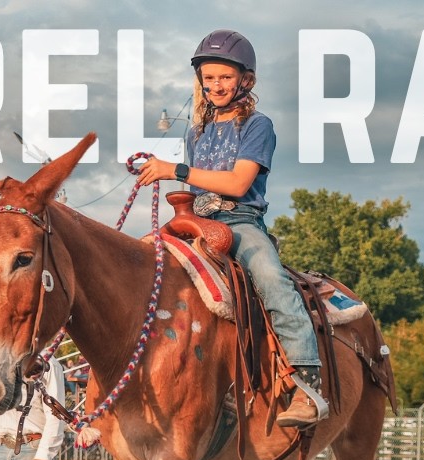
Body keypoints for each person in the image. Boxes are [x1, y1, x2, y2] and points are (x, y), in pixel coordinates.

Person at [136, 29, 325, 428]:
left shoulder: (258, 125)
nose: (216, 85)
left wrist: (174, 170)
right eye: (209, 78)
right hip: (195, 221)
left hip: (240, 221)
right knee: (136, 263)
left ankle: (309, 387)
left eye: (225, 77)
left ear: (245, 80)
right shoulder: (196, 132)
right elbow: (195, 186)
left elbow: (238, 183)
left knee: (272, 280)